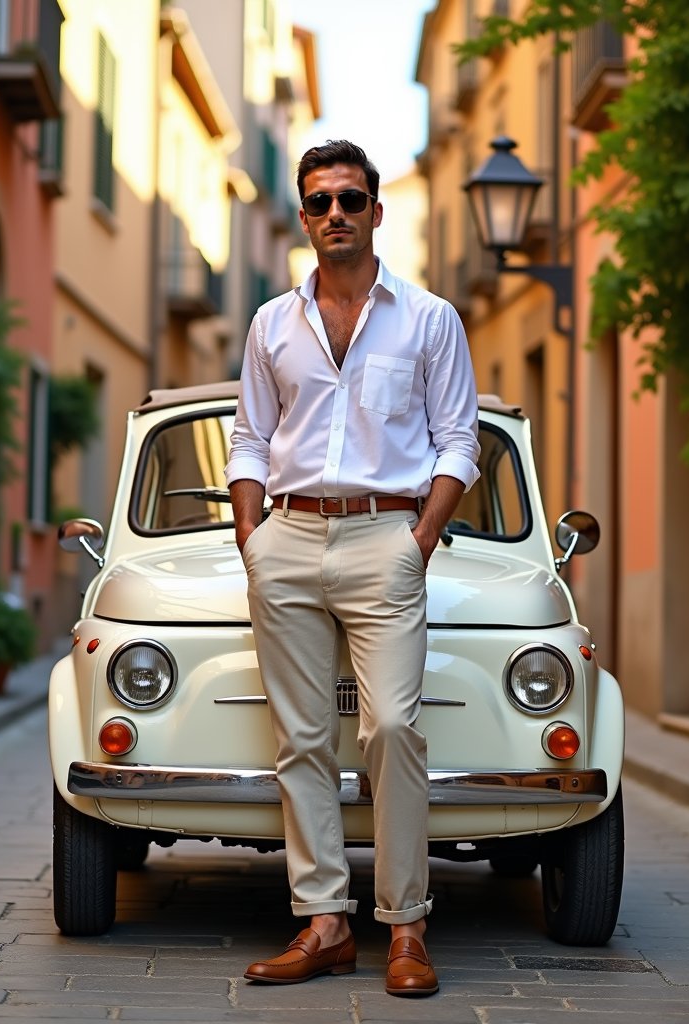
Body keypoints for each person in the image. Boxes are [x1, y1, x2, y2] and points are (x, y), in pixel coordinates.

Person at [225, 139, 480, 998]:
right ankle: (326, 924)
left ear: (377, 211)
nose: (336, 212)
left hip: (386, 539)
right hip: (288, 540)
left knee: (393, 730)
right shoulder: (271, 322)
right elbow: (251, 438)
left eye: (351, 198)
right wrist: (252, 538)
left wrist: (420, 540)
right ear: (303, 217)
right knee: (299, 739)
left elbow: (458, 442)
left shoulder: (430, 319)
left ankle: (405, 928)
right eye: (320, 200)